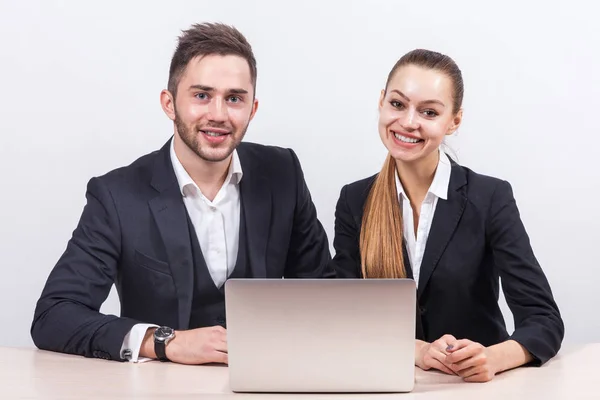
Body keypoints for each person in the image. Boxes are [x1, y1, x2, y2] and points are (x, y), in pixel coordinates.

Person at [31, 22, 332, 365]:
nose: (218, 115)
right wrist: (164, 342)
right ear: (169, 103)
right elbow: (53, 316)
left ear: (253, 108)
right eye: (202, 95)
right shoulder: (117, 196)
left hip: (264, 382)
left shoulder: (283, 173)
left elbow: (323, 296)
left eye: (234, 98)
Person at [330, 49, 564, 382]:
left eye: (428, 111)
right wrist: (420, 351)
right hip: (390, 383)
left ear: (454, 121)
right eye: (397, 104)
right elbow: (344, 316)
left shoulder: (490, 198)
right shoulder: (355, 200)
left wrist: (493, 357)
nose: (409, 122)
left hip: (474, 387)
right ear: (381, 102)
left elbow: (544, 319)